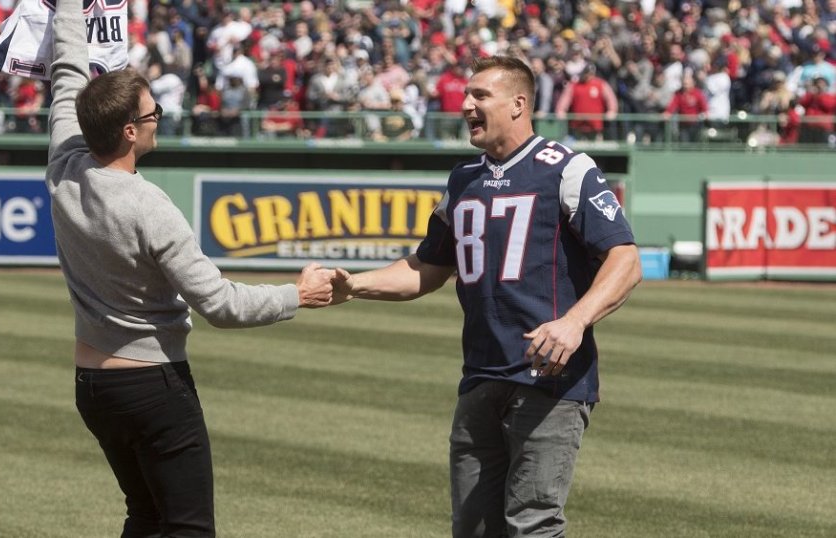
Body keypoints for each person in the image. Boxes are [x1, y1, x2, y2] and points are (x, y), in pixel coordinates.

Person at [47, 0, 336, 536]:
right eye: (153, 114)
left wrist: (66, 7)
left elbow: (67, 70)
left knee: (146, 516)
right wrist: (299, 294)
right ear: (130, 132)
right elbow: (221, 305)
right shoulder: (148, 203)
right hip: (153, 385)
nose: (159, 121)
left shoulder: (64, 166)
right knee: (188, 527)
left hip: (92, 384)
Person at [331, 55, 642, 537]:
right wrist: (354, 285)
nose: (465, 105)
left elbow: (625, 260)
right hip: (479, 376)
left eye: (480, 96)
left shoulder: (566, 169)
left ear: (519, 104)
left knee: (533, 524)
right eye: (465, 96)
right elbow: (427, 269)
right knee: (473, 529)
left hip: (549, 380)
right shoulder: (463, 180)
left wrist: (573, 323)